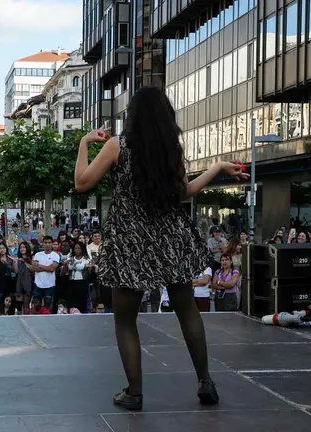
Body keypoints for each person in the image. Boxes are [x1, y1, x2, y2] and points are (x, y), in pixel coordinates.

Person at [73, 87, 246, 410]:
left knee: (125, 320)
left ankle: (134, 392)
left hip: (130, 243)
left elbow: (82, 182)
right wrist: (218, 167)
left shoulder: (116, 147)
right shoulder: (171, 151)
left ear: (133, 116)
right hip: (170, 240)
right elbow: (184, 193)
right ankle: (205, 381)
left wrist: (84, 142)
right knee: (187, 311)